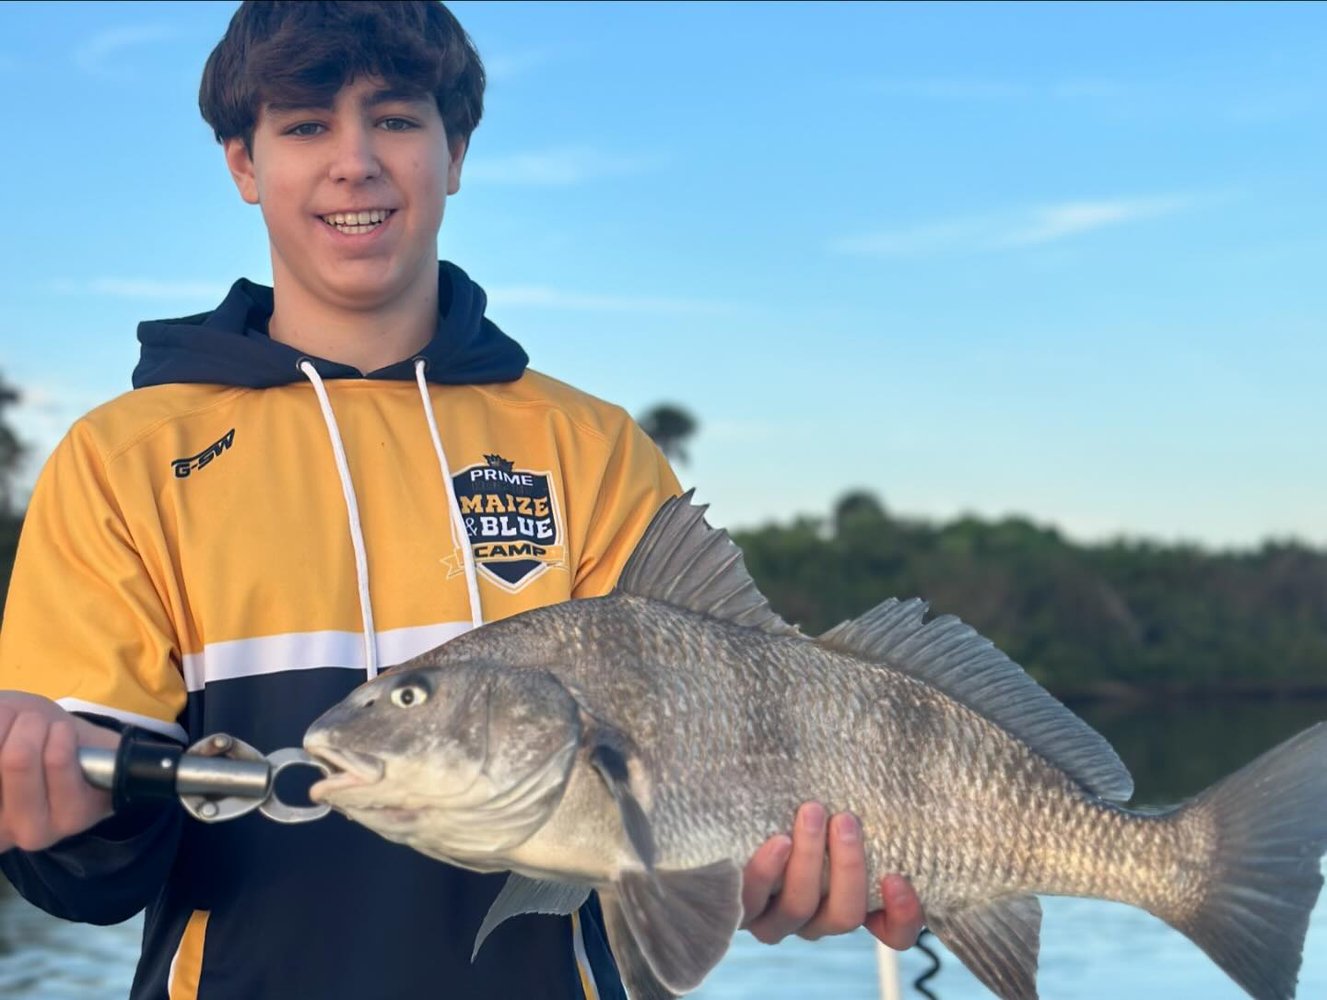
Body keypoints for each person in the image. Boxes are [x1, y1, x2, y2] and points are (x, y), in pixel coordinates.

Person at [0, 3, 923, 997]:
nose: (354, 161)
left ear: (456, 151)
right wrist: (60, 816)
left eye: (395, 119)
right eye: (306, 126)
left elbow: (702, 785)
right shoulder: (125, 459)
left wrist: (776, 869)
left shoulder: (593, 449)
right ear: (242, 164)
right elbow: (89, 875)